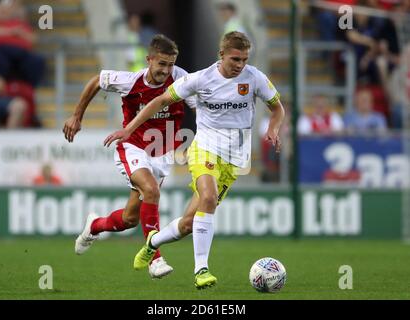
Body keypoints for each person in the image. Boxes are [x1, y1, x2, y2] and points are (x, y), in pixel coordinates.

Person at [104, 31, 285, 289]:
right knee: (208, 197)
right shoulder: (200, 79)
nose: (240, 65)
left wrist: (273, 128)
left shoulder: (255, 78)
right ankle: (201, 270)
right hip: (204, 149)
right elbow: (160, 100)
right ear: (221, 54)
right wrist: (129, 128)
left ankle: (151, 243)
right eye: (235, 59)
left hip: (234, 158)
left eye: (244, 59)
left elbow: (277, 108)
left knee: (189, 223)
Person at [62, 34, 196, 279]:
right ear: (149, 60)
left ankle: (94, 226)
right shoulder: (130, 81)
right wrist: (77, 116)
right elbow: (96, 81)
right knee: (152, 191)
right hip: (133, 147)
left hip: (162, 153)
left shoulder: (182, 79)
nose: (166, 70)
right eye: (161, 64)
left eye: (170, 64)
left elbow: (200, 108)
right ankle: (154, 260)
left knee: (129, 219)